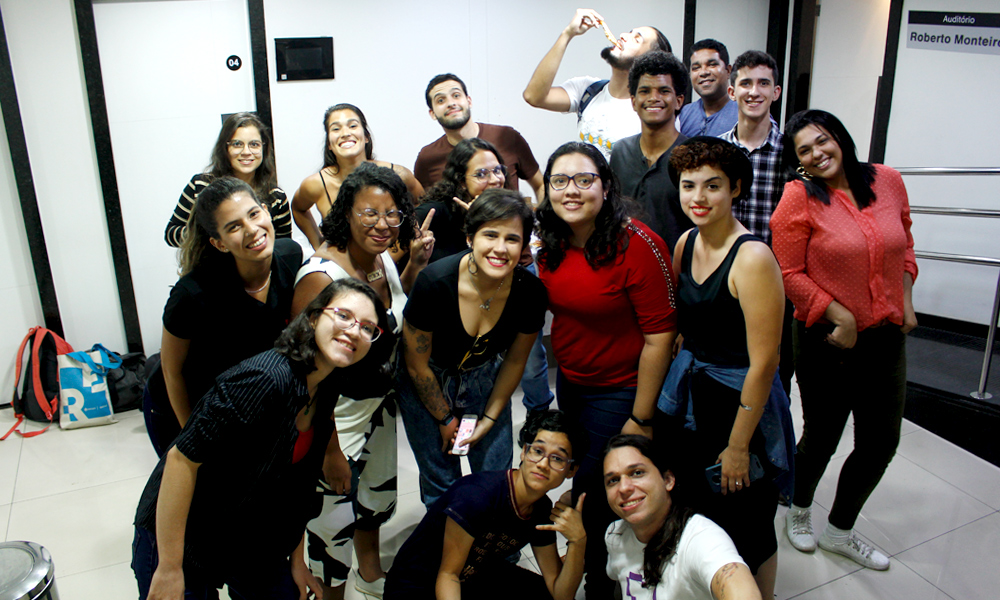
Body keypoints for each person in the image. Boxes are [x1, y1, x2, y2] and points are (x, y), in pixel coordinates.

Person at [131, 278, 388, 600]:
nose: (354, 330)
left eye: (368, 328)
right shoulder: (264, 379)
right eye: (344, 315)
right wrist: (169, 566)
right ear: (313, 317)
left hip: (251, 533)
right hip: (185, 534)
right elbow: (181, 460)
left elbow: (297, 485)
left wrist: (296, 560)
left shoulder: (325, 385)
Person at [772, 109, 918, 571]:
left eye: (823, 141)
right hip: (825, 341)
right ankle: (798, 511)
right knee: (822, 438)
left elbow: (905, 244)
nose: (817, 154)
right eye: (804, 151)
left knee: (881, 442)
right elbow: (788, 272)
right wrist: (839, 314)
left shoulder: (888, 179)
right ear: (797, 162)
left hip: (887, 337)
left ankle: (839, 530)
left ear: (840, 137)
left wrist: (907, 297)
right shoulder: (799, 197)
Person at [535, 141, 678, 599]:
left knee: (599, 493)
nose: (571, 191)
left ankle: (604, 584)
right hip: (573, 383)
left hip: (622, 389)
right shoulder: (550, 244)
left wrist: (641, 417)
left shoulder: (637, 244)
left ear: (606, 185)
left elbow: (660, 337)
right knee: (585, 482)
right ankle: (601, 570)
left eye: (584, 179)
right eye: (560, 181)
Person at [659, 137, 793, 598]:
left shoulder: (753, 258)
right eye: (688, 185)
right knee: (698, 505)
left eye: (712, 186)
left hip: (741, 406)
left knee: (748, 515)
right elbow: (686, 322)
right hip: (693, 396)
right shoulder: (684, 243)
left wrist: (737, 446)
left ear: (736, 188)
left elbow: (765, 364)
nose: (698, 197)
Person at [292, 163, 431, 600]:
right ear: (346, 212)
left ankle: (369, 576)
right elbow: (305, 376)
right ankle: (330, 593)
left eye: (393, 215)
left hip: (378, 405)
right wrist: (330, 449)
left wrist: (414, 267)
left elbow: (388, 314)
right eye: (370, 213)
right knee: (330, 518)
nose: (383, 225)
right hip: (336, 417)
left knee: (375, 499)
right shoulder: (321, 276)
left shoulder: (383, 258)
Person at [397, 189, 546, 508]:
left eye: (512, 239)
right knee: (442, 484)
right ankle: (448, 553)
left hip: (484, 376)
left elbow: (515, 361)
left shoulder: (530, 292)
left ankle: (498, 554)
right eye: (490, 234)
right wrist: (445, 418)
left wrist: (490, 420)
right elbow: (415, 365)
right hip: (427, 379)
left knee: (496, 478)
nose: (500, 248)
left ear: (524, 246)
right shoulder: (435, 282)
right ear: (469, 238)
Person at [142, 177, 303, 457]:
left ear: (266, 210)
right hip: (181, 403)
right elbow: (172, 371)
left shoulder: (290, 257)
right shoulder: (193, 294)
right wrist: (192, 441)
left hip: (241, 400)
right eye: (234, 227)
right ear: (219, 244)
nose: (252, 230)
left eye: (254, 214)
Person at [384, 410, 587, 600]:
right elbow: (448, 575)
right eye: (537, 450)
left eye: (557, 458)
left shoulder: (541, 509)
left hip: (475, 576)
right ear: (524, 452)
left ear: (571, 470)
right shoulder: (477, 497)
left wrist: (579, 540)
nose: (543, 464)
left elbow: (561, 594)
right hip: (416, 585)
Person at [604, 434, 762, 600]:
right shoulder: (615, 535)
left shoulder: (700, 538)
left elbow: (740, 588)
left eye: (637, 473)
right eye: (613, 480)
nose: (624, 488)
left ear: (668, 480)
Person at [718, 50, 794, 395]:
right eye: (745, 83)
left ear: (776, 92)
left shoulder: (792, 152)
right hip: (722, 283)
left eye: (764, 83)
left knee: (773, 379)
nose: (754, 91)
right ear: (731, 91)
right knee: (722, 376)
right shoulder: (716, 151)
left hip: (777, 287)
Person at [523, 8, 672, 160]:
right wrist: (567, 34)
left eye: (636, 38)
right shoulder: (588, 90)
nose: (623, 36)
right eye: (629, 32)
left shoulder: (651, 111)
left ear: (649, 60)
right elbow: (534, 96)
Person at [291, 103, 424, 250]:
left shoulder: (398, 174)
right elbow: (298, 209)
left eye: (353, 126)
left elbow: (422, 206)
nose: (345, 133)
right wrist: (318, 245)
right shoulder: (316, 184)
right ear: (329, 143)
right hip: (343, 268)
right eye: (336, 129)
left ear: (366, 137)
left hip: (394, 267)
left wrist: (399, 250)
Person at [165, 112, 291, 247]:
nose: (246, 152)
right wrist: (209, 234)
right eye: (237, 144)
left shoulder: (276, 196)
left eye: (254, 144)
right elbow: (170, 234)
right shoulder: (201, 185)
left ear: (264, 149)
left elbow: (283, 247)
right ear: (225, 149)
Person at [415, 74, 544, 201]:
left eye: (456, 95)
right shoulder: (427, 158)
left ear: (469, 101)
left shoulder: (507, 137)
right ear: (432, 113)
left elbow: (540, 185)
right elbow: (421, 204)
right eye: (441, 100)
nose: (451, 103)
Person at [610, 50, 693, 249]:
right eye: (645, 91)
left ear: (678, 101)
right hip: (626, 270)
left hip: (677, 272)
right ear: (633, 102)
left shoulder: (693, 155)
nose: (653, 98)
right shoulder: (620, 152)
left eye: (664, 91)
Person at [416, 138, 508, 264]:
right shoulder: (432, 213)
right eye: (481, 174)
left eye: (497, 170)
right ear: (461, 181)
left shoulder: (503, 212)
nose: (495, 180)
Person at [678, 40, 738, 138]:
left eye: (712, 64)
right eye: (696, 67)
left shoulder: (745, 114)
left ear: (728, 70)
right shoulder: (683, 115)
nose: (703, 72)